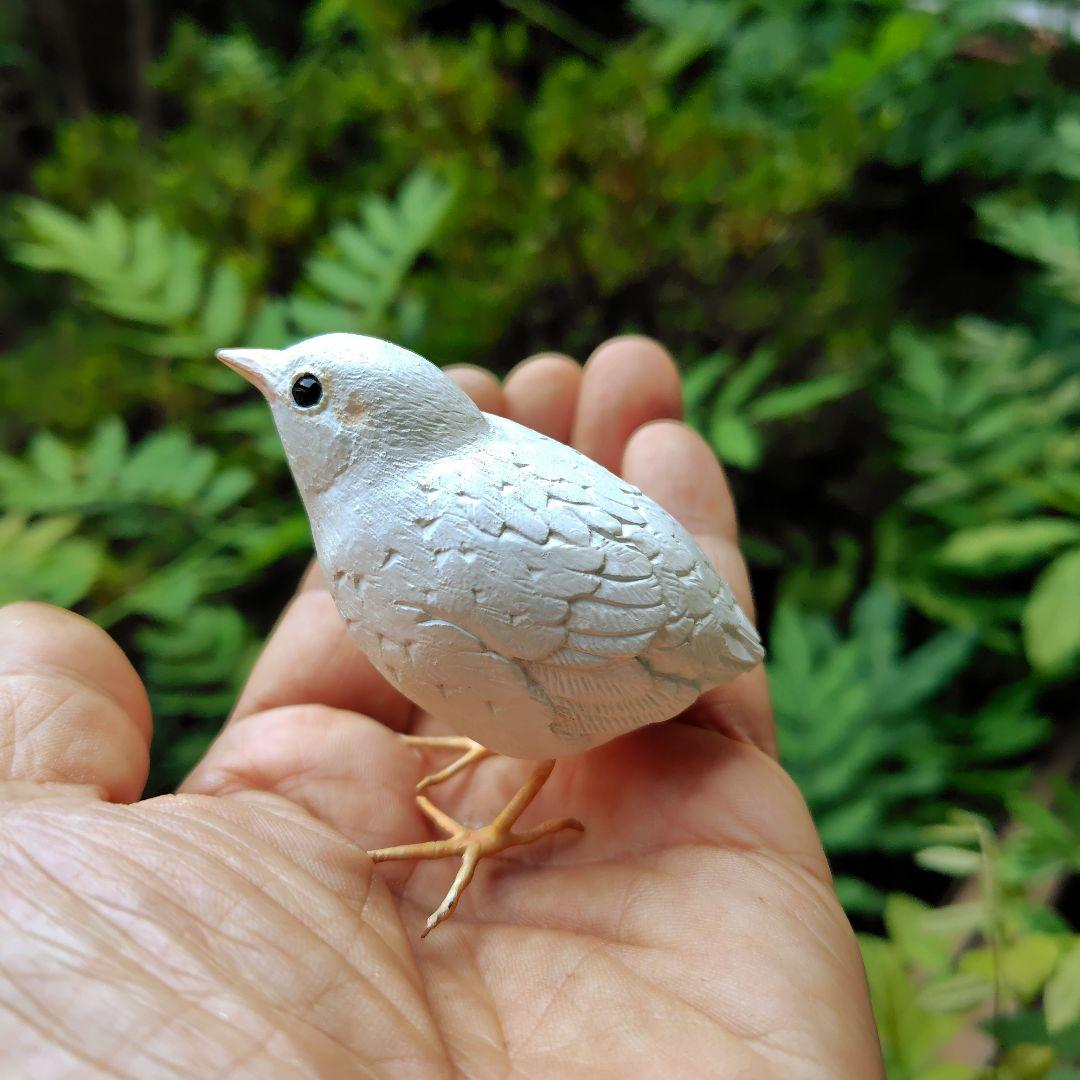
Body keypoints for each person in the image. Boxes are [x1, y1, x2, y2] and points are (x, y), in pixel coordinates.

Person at [0, 337, 884, 1076]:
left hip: (639, 649)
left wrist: (527, 748)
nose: (274, 385)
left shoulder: (407, 532)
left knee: (524, 711)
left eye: (303, 391)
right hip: (640, 620)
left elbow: (570, 674)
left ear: (355, 421)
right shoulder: (448, 471)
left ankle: (494, 819)